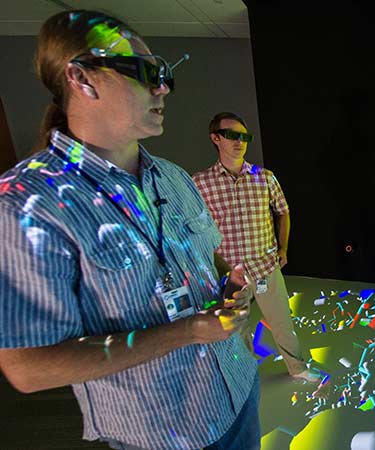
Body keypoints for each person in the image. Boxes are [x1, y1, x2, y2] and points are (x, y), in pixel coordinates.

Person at [0, 11, 261, 450]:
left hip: (237, 391)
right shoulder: (26, 204)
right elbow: (27, 368)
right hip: (164, 434)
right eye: (146, 73)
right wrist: (189, 331)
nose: (162, 88)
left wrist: (231, 285)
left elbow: (210, 258)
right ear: (82, 80)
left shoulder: (173, 177)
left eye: (164, 74)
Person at [193, 112, 317, 382]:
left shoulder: (265, 177)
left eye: (244, 137)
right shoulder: (200, 183)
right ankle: (244, 375)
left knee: (281, 321)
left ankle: (297, 368)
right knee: (236, 327)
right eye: (232, 135)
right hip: (230, 275)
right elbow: (193, 228)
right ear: (215, 138)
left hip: (263, 270)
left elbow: (283, 211)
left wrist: (283, 249)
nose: (239, 142)